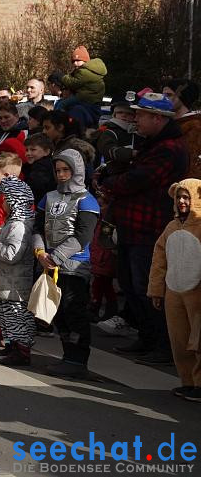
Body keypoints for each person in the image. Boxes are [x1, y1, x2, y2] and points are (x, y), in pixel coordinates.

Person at [98, 92, 188, 365]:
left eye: (141, 115)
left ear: (158, 118)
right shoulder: (151, 143)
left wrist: (110, 182)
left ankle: (163, 345)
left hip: (150, 227)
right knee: (131, 283)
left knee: (148, 288)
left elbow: (137, 179)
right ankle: (147, 338)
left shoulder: (169, 148)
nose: (136, 120)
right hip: (132, 225)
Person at [34, 149, 100, 378]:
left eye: (66, 170)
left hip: (75, 266)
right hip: (50, 264)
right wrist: (40, 251)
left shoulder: (87, 200)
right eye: (58, 170)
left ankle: (78, 361)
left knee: (75, 313)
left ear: (77, 171)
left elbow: (83, 236)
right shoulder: (49, 197)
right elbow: (38, 227)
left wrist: (57, 256)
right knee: (59, 313)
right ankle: (68, 357)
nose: (61, 174)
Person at [148, 179, 201, 401]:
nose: (181, 201)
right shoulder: (171, 227)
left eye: (187, 197)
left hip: (196, 293)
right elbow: (159, 260)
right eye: (179, 197)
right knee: (179, 339)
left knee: (198, 340)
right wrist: (157, 290)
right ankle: (188, 381)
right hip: (174, 290)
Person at [0, 152, 37, 366]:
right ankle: (11, 346)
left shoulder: (19, 226)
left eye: (6, 200)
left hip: (15, 283)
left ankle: (20, 350)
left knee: (16, 317)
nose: (2, 204)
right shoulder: (13, 222)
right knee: (7, 318)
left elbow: (12, 254)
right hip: (8, 281)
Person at [57, 46, 107, 128]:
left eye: (78, 60)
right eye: (73, 61)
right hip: (94, 99)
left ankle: (58, 121)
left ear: (85, 61)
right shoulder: (93, 71)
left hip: (84, 97)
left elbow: (73, 83)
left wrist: (62, 77)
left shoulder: (84, 72)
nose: (75, 63)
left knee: (62, 104)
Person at [163, 79, 201, 180]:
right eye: (163, 95)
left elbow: (193, 165)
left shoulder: (195, 127)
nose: (163, 99)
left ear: (183, 97)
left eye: (169, 95)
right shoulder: (166, 124)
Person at [23, 132, 56, 206]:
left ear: (46, 152)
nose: (28, 153)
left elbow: (32, 188)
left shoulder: (42, 167)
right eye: (26, 150)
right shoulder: (31, 166)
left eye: (33, 150)